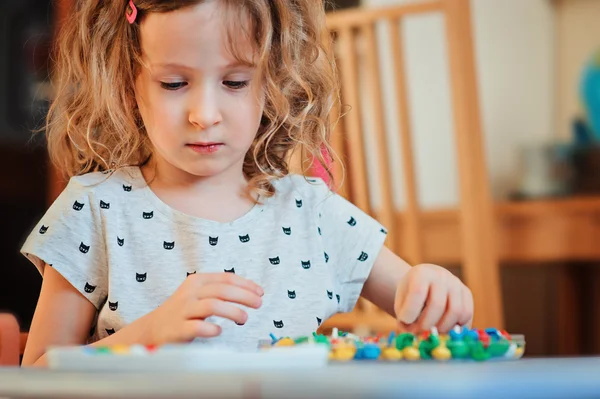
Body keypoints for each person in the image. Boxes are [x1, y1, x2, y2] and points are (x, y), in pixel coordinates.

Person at [20, 0, 473, 367]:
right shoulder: (95, 209)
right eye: (174, 83)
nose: (205, 114)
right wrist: (147, 334)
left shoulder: (311, 211)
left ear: (271, 82)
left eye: (235, 82)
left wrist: (434, 289)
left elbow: (414, 293)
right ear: (129, 85)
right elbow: (35, 374)